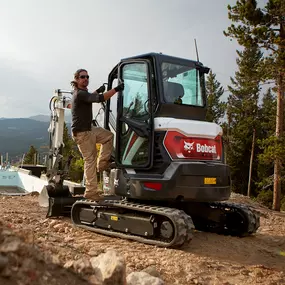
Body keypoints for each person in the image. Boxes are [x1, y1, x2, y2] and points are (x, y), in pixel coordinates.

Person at [70, 68, 124, 201]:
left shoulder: (83, 93)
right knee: (90, 160)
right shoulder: (79, 94)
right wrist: (116, 90)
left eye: (87, 76)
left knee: (108, 136)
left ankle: (103, 164)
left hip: (89, 129)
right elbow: (99, 99)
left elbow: (91, 97)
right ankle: (91, 192)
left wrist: (98, 90)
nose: (86, 79)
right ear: (77, 79)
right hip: (82, 133)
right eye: (82, 77)